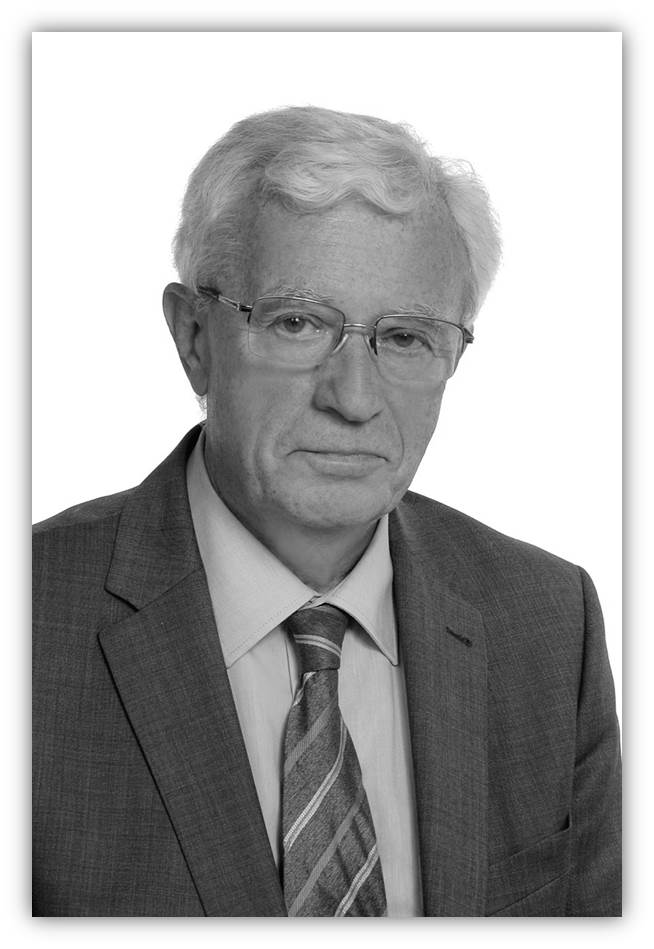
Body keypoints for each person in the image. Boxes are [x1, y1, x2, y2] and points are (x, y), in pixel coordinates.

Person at [32, 106, 621, 917]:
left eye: (406, 337)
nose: (354, 398)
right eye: (299, 323)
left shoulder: (550, 623)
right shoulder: (29, 620)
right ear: (194, 337)